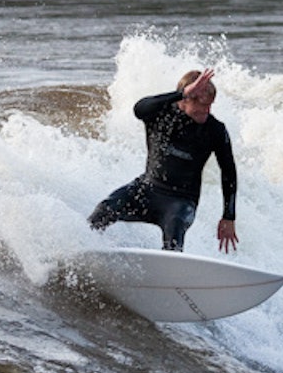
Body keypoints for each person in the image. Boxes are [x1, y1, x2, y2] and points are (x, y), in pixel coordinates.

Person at [89, 68, 240, 253]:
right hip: (146, 189)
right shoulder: (160, 115)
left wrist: (228, 216)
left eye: (210, 105)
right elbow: (139, 108)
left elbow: (229, 172)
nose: (207, 110)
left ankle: (172, 276)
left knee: (174, 237)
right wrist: (181, 93)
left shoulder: (215, 130)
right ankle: (84, 256)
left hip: (182, 201)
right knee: (102, 211)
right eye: (201, 104)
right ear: (185, 98)